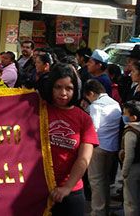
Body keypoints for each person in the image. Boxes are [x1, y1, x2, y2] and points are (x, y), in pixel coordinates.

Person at [40, 63, 98, 216]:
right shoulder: (37, 110)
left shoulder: (84, 119)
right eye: (58, 87)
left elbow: (84, 158)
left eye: (69, 88)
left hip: (71, 193)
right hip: (37, 190)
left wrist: (67, 188)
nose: (63, 93)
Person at [83, 79, 121, 216]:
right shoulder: (115, 104)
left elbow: (93, 128)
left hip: (99, 147)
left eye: (88, 97)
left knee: (96, 181)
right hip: (112, 147)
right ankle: (104, 209)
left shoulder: (96, 106)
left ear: (91, 93)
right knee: (104, 180)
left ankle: (98, 212)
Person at [120, 100, 140, 216]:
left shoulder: (130, 132)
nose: (123, 116)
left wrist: (124, 172)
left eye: (125, 114)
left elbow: (129, 155)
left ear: (133, 117)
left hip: (132, 169)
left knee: (130, 200)